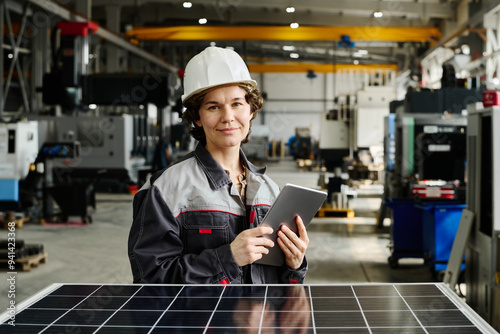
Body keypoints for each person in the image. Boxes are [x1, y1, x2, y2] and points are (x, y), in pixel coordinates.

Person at [128, 46, 309, 284]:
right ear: (197, 117)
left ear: (251, 110)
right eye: (213, 106)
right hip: (199, 321)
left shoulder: (270, 191)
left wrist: (294, 265)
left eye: (237, 104)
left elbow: (280, 286)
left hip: (260, 321)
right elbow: (150, 279)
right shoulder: (166, 189)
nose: (228, 117)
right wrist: (227, 258)